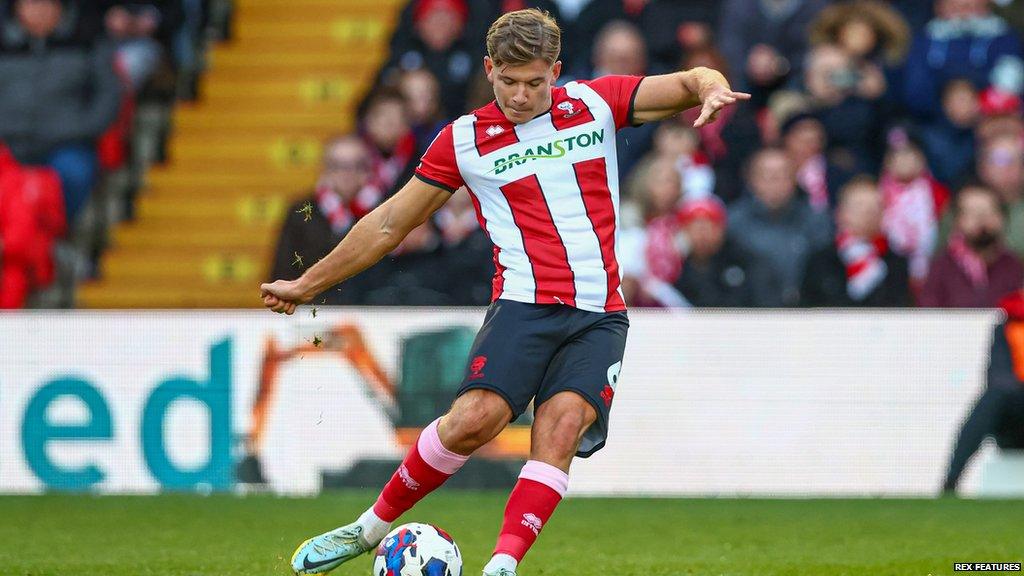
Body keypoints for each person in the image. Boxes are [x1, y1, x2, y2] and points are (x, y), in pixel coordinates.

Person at [260, 9, 748, 576]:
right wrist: (306, 283)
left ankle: (502, 567)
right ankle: (368, 529)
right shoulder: (463, 140)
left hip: (600, 314)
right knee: (475, 420)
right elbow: (390, 224)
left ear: (556, 72)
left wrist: (711, 87)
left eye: (535, 82)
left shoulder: (595, 104)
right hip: (523, 306)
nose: (520, 96)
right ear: (489, 69)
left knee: (561, 428)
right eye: (508, 81)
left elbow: (690, 81)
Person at [268, 135, 379, 305]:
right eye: (338, 166)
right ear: (325, 169)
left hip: (371, 312)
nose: (347, 174)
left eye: (356, 166)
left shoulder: (380, 210)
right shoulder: (301, 211)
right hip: (313, 310)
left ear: (367, 171)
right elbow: (282, 270)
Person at [942, 289, 1024, 494]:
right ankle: (950, 484)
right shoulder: (1006, 327)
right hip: (1015, 420)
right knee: (993, 399)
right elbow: (999, 379)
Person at [728, 147, 832, 306]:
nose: (775, 182)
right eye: (766, 175)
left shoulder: (816, 221)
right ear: (751, 180)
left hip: (807, 314)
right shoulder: (733, 222)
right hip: (751, 315)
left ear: (794, 179)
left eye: (782, 175)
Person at [800, 177, 912, 307]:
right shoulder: (820, 260)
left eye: (876, 206)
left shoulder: (897, 263)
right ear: (840, 213)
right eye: (860, 206)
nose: (869, 212)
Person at [920, 183, 1024, 308]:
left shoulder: (1013, 266)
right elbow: (927, 314)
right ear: (957, 220)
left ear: (1002, 217)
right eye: (971, 212)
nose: (981, 219)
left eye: (989, 211)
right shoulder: (942, 267)